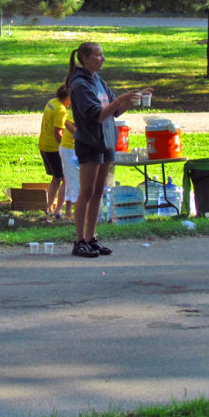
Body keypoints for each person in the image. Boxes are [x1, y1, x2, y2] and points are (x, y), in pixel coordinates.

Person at [66, 42, 149, 257]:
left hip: (106, 141)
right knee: (86, 192)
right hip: (90, 143)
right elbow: (98, 114)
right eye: (98, 55)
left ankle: (91, 238)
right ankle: (79, 241)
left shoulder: (98, 81)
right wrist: (120, 99)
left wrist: (131, 99)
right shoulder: (80, 84)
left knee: (99, 192)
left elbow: (115, 111)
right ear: (85, 58)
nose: (103, 59)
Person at [38, 84, 70, 218]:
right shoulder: (61, 110)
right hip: (54, 149)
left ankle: (49, 208)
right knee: (66, 180)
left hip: (44, 145)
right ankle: (59, 210)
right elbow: (58, 132)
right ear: (67, 97)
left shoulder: (51, 103)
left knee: (56, 178)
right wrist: (65, 146)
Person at [58, 106, 79, 219]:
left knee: (70, 181)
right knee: (74, 181)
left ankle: (68, 212)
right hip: (70, 149)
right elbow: (68, 123)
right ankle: (78, 214)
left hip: (71, 148)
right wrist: (84, 136)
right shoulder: (81, 107)